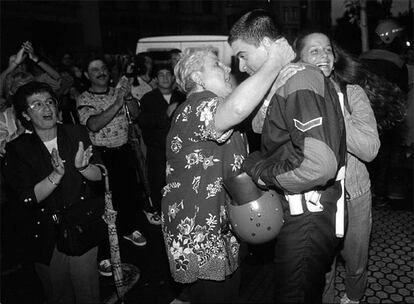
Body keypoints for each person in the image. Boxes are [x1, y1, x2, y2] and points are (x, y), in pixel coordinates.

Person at [229, 9, 347, 303]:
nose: (241, 67)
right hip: (298, 210)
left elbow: (318, 166)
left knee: (294, 295)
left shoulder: (300, 80)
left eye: (243, 55)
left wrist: (260, 171)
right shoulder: (286, 80)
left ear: (267, 46)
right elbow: (269, 130)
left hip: (307, 213)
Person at [162, 42, 292, 303]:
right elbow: (236, 108)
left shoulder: (216, 106)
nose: (225, 67)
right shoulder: (196, 106)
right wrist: (274, 61)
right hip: (198, 231)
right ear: (197, 78)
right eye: (215, 64)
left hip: (219, 225)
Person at [295, 32, 380, 304]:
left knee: (355, 261)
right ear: (300, 60)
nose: (324, 56)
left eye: (328, 50)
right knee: (323, 267)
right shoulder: (295, 97)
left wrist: (336, 107)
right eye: (315, 51)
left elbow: (369, 149)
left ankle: (354, 298)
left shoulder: (352, 93)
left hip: (355, 193)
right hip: (316, 197)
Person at [4, 81, 104, 303]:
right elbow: (27, 198)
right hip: (44, 234)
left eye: (49, 101)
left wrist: (84, 168)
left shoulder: (76, 132)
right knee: (58, 294)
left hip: (81, 226)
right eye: (37, 104)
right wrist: (55, 176)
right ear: (25, 115)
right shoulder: (18, 148)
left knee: (87, 291)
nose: (46, 108)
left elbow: (102, 176)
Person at [77, 58, 147, 246]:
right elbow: (92, 124)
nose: (101, 72)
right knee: (105, 198)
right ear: (86, 75)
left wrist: (129, 97)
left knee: (128, 193)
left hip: (124, 150)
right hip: (101, 155)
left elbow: (135, 114)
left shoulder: (118, 91)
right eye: (95, 70)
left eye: (103, 68)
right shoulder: (84, 98)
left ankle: (129, 229)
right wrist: (117, 103)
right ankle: (107, 241)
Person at [360, 19, 409, 204]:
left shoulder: (362, 58)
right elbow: (402, 95)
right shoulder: (397, 63)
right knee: (385, 155)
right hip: (386, 119)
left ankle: (365, 191)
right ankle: (380, 194)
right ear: (390, 39)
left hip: (362, 116)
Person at [138, 64, 185, 221]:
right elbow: (143, 122)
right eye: (161, 74)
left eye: (168, 74)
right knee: (158, 183)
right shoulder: (148, 99)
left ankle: (179, 214)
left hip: (180, 151)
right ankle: (160, 212)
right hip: (157, 151)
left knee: (179, 183)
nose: (165, 77)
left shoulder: (182, 97)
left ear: (173, 78)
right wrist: (165, 115)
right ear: (156, 79)